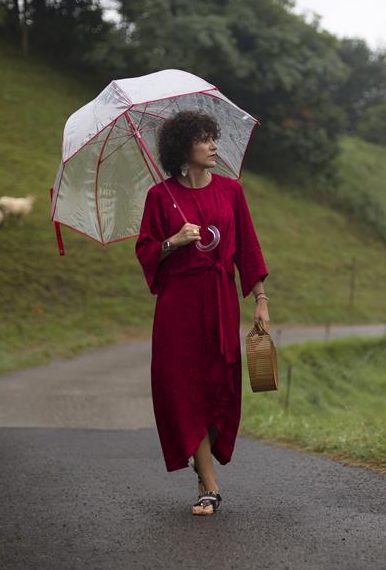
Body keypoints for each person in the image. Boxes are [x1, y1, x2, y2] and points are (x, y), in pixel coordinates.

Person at [135, 110, 269, 516]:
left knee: (221, 388)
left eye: (214, 138)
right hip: (178, 306)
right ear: (183, 148)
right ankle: (208, 485)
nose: (214, 146)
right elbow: (146, 251)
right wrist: (173, 241)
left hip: (220, 299)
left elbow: (247, 247)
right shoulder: (159, 197)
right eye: (204, 139)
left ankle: (202, 457)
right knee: (183, 389)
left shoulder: (231, 191)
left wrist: (260, 299)